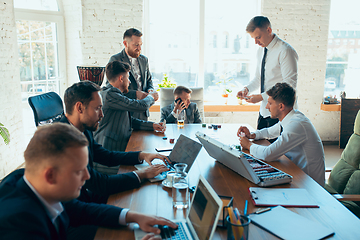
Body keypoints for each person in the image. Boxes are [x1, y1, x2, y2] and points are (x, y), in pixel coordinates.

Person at [0, 123, 176, 240]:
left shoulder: (29, 178)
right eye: (78, 171)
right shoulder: (18, 226)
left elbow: (80, 209)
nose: (87, 176)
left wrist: (134, 216)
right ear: (50, 176)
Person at [61, 80, 169, 202]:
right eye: (97, 108)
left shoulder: (82, 128)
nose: (102, 115)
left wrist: (141, 155)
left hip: (85, 196)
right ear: (79, 107)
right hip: (76, 209)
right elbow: (101, 184)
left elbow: (106, 156)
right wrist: (142, 174)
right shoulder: (63, 142)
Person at [237, 83, 325, 186]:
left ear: (281, 106)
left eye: (269, 103)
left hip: (310, 185)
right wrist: (251, 135)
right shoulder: (292, 117)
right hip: (296, 173)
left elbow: (268, 154)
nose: (266, 106)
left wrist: (248, 145)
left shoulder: (296, 125)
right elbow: (269, 132)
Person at [94, 61, 165, 173]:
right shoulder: (109, 94)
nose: (129, 81)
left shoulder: (115, 94)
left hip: (119, 148)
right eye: (128, 77)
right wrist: (151, 97)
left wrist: (152, 125)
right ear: (121, 78)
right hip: (109, 152)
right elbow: (139, 106)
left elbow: (127, 120)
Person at [236, 16, 298, 141]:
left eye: (258, 37)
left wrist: (261, 97)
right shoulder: (261, 51)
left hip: (281, 112)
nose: (256, 42)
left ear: (269, 30)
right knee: (259, 149)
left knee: (278, 157)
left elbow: (289, 86)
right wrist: (246, 89)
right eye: (254, 38)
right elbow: (259, 78)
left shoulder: (285, 51)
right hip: (264, 111)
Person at [109, 28, 153, 121]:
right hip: (127, 111)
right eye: (136, 45)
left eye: (141, 45)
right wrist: (135, 94)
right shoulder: (115, 60)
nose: (139, 48)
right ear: (125, 43)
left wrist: (150, 90)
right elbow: (111, 87)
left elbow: (149, 80)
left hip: (144, 111)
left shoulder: (144, 60)